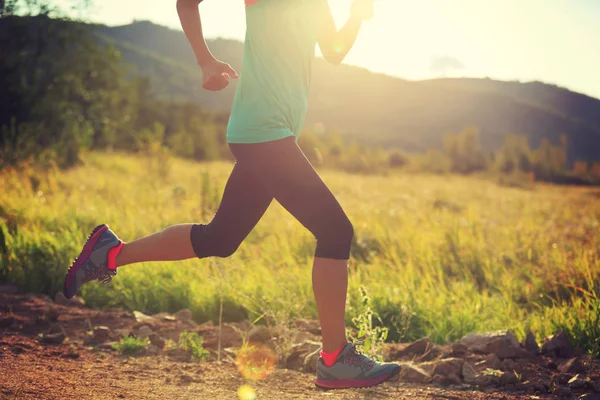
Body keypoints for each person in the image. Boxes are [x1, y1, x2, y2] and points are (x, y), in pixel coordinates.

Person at [63, 0, 401, 389]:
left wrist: (356, 16)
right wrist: (205, 60)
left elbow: (334, 52)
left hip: (269, 133)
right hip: (264, 130)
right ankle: (335, 358)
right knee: (336, 231)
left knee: (219, 238)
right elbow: (187, 3)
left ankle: (110, 252)